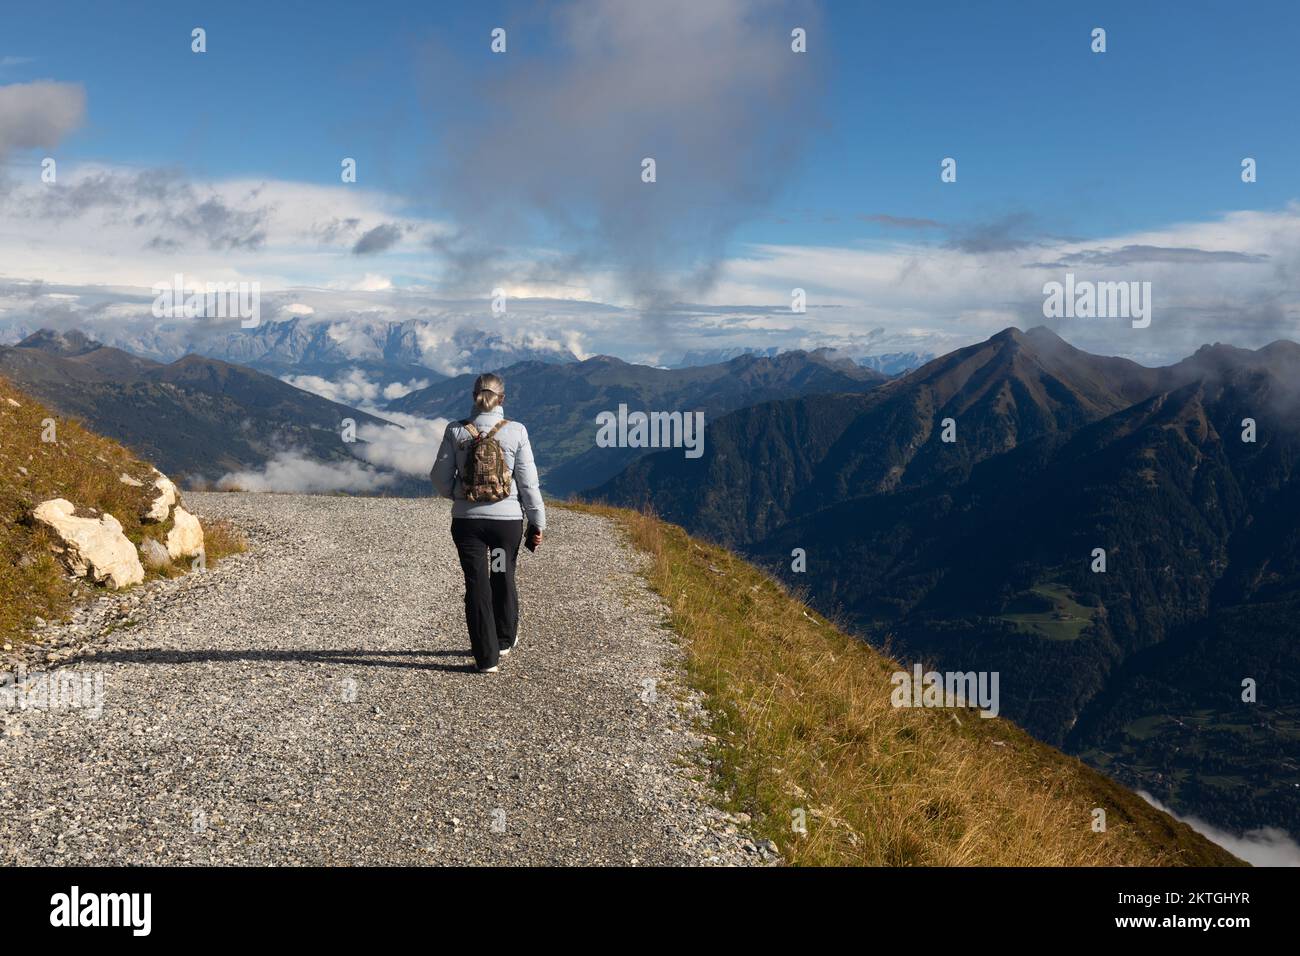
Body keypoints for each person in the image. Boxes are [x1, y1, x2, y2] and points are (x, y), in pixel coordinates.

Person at [430, 373, 545, 673]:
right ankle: (505, 639)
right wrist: (537, 522)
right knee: (500, 573)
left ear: (473, 397)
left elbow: (439, 479)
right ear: (502, 399)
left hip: (468, 525)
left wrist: (457, 496)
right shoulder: (516, 431)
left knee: (476, 584)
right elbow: (529, 484)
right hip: (504, 524)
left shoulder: (456, 431)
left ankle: (486, 658)